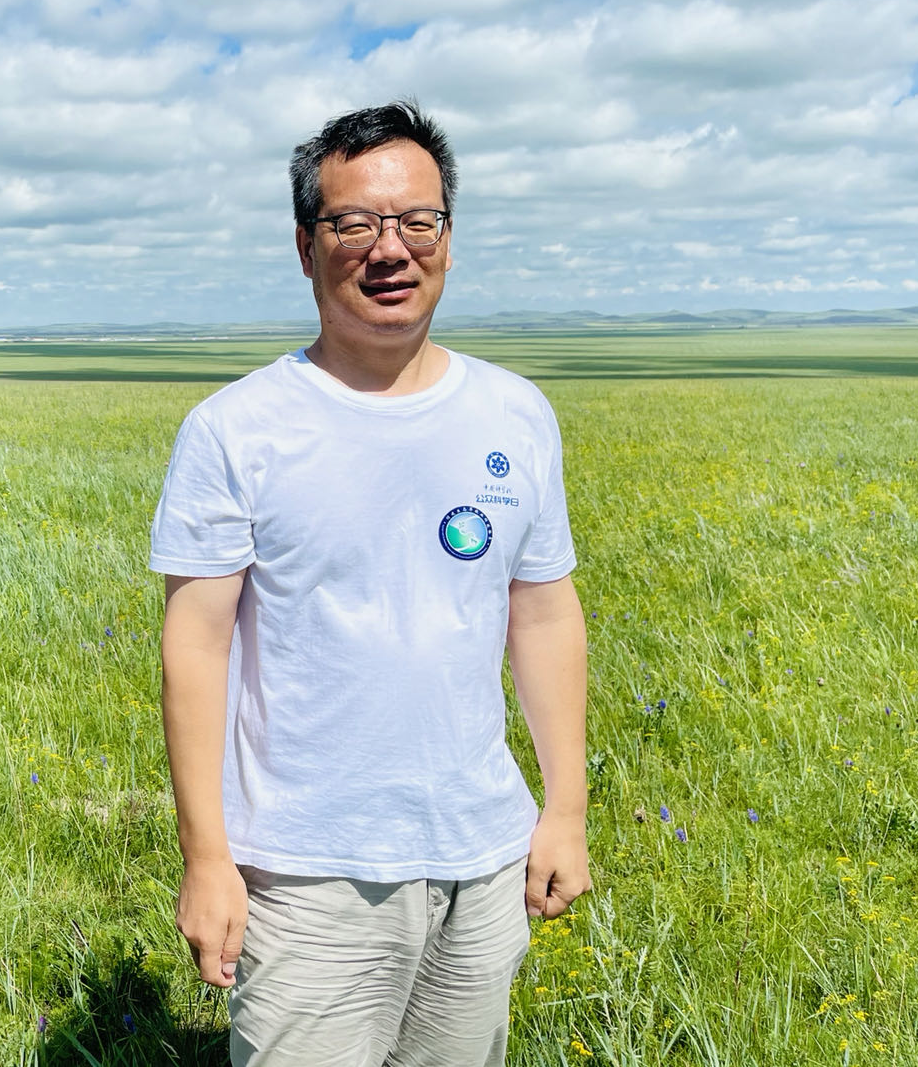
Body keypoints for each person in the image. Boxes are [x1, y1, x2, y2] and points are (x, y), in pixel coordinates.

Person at [150, 102, 590, 1067]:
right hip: (306, 872)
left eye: (417, 221)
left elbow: (544, 613)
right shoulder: (235, 430)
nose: (390, 249)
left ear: (448, 239)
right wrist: (208, 858)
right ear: (306, 246)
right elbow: (196, 647)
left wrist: (565, 810)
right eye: (354, 223)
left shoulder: (517, 413)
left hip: (484, 858)